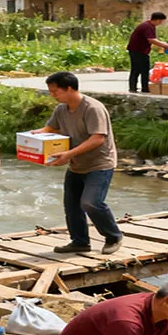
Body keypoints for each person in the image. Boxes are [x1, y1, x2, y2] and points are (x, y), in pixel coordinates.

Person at [31, 72, 123, 255]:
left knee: (91, 203)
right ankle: (80, 241)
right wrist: (32, 137)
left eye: (55, 91)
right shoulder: (61, 109)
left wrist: (68, 154)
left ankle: (114, 236)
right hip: (76, 163)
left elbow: (98, 138)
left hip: (100, 163)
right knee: (72, 205)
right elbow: (51, 128)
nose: (52, 95)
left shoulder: (92, 108)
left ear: (69, 89)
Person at [127, 12, 168, 93]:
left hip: (139, 50)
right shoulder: (148, 27)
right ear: (157, 20)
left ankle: (138, 87)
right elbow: (151, 39)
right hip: (138, 50)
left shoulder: (148, 25)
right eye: (161, 21)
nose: (160, 23)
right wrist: (165, 45)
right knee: (140, 69)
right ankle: (140, 88)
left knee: (140, 69)